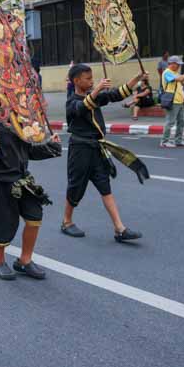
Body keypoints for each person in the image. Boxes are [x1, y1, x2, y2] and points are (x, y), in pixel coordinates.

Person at [61, 64, 147, 242]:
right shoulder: (71, 102)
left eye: (93, 78)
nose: (92, 81)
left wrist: (137, 78)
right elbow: (83, 107)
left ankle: (119, 229)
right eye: (88, 78)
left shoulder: (95, 97)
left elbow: (117, 94)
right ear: (76, 81)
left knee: (105, 186)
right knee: (76, 186)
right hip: (80, 150)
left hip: (97, 149)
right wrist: (98, 88)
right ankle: (67, 221)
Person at [0, 122, 61, 280]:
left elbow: (29, 151)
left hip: (23, 180)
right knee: (2, 224)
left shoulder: (21, 126)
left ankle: (25, 260)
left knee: (34, 216)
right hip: (1, 183)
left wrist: (52, 146)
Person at [160, 56, 184, 148]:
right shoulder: (166, 73)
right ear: (172, 64)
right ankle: (164, 141)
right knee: (170, 122)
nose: (178, 66)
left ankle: (178, 140)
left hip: (179, 100)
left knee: (181, 122)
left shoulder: (175, 73)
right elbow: (181, 78)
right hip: (172, 100)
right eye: (177, 64)